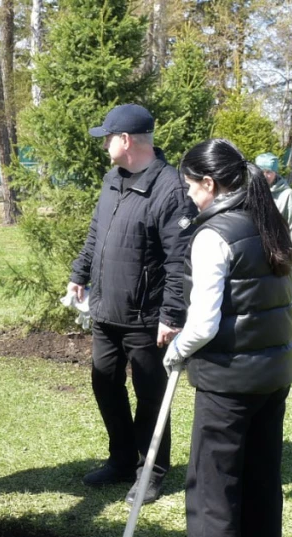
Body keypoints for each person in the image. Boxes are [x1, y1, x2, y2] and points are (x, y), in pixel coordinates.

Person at [159, 138, 292, 537]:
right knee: (262, 482)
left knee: (213, 500)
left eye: (191, 186)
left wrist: (179, 354)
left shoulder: (213, 234)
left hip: (230, 383)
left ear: (209, 184)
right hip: (272, 375)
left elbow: (204, 322)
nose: (189, 196)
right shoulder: (267, 218)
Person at [68, 104, 197, 505]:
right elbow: (97, 232)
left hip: (146, 317)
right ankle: (121, 459)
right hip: (106, 309)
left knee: (150, 395)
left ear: (125, 140)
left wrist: (172, 315)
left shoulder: (170, 189)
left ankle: (151, 472)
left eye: (108, 136)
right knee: (104, 382)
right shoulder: (113, 178)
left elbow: (180, 261)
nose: (104, 143)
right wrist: (79, 272)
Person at [255, 152, 292, 272]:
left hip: (277, 256)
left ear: (275, 172)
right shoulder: (251, 193)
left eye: (269, 172)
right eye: (262, 172)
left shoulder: (287, 195)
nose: (265, 176)